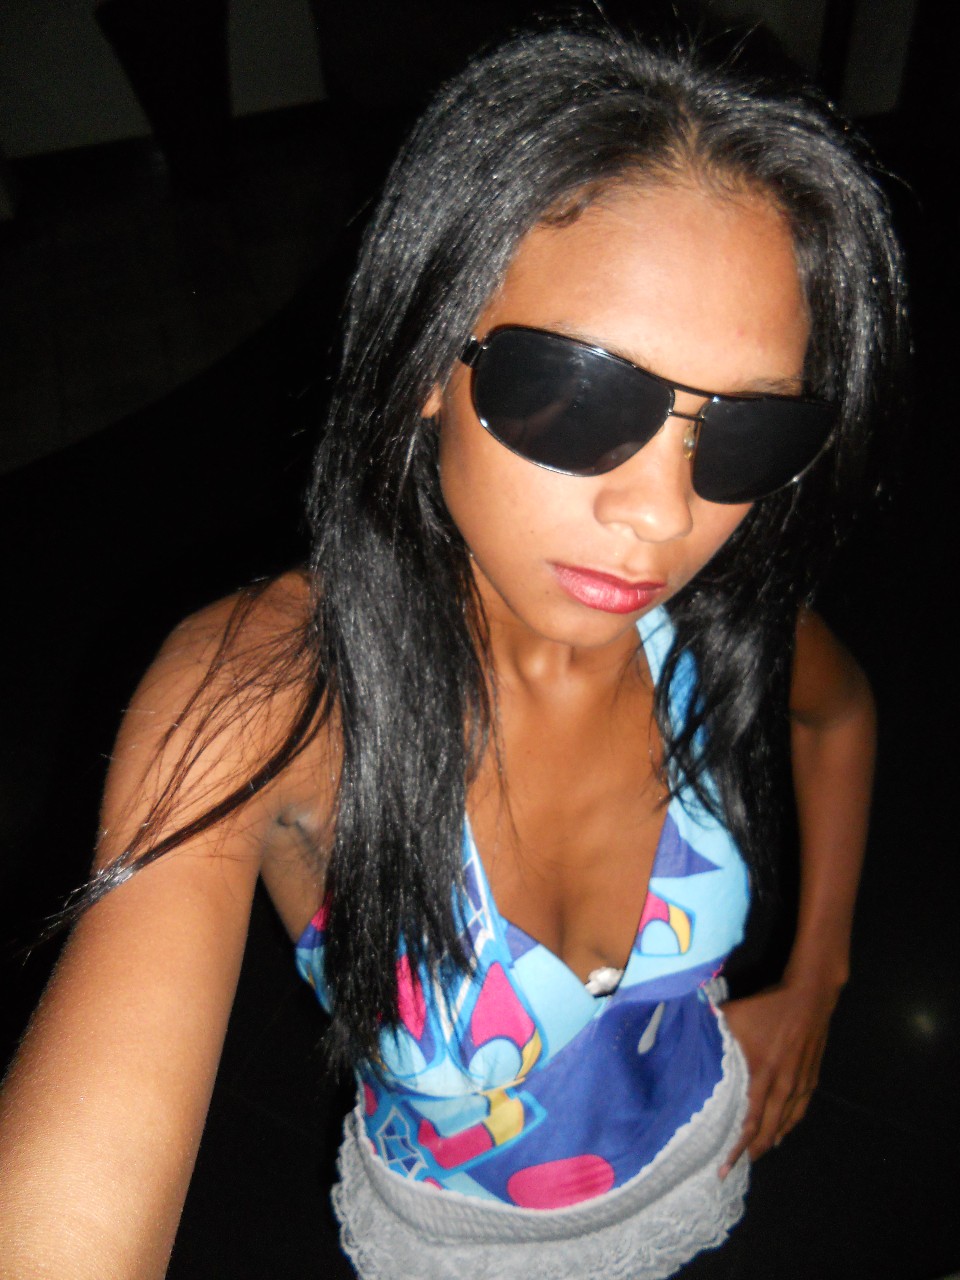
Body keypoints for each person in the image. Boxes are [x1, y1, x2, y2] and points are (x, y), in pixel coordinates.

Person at [0, 23, 905, 1280]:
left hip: (705, 1155)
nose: (662, 514)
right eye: (582, 391)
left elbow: (839, 716)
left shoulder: (704, 619)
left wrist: (819, 976)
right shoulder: (278, 693)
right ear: (429, 353)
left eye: (748, 431)